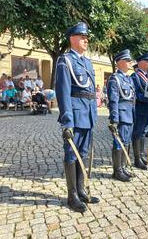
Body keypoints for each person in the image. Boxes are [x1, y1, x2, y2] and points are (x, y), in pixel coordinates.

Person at [55, 22, 99, 213]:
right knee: (72, 155)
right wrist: (67, 121)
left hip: (87, 114)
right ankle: (72, 195)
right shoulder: (65, 60)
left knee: (83, 154)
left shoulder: (87, 62)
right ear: (72, 38)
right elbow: (63, 92)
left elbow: (90, 92)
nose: (86, 39)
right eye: (82, 37)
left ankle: (81, 190)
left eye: (86, 37)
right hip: (75, 114)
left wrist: (94, 114)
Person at [107, 49, 135, 182]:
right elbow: (114, 100)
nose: (130, 63)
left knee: (126, 142)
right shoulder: (115, 79)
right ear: (121, 62)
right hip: (121, 116)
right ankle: (117, 171)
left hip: (129, 115)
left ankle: (123, 167)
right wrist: (114, 119)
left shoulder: (128, 79)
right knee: (119, 143)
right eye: (128, 61)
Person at [130, 52, 148, 170]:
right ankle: (137, 159)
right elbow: (136, 94)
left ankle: (142, 155)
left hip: (147, 108)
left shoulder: (147, 77)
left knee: (143, 132)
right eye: (147, 61)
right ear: (141, 62)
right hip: (139, 108)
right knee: (137, 132)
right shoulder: (135, 76)